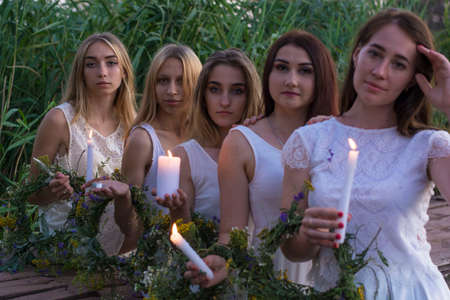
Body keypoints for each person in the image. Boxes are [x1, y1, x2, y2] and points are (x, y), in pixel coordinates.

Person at [280, 9, 450, 299]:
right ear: (357, 54)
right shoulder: (309, 141)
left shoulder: (428, 146)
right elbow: (291, 249)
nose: (380, 71)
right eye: (375, 54)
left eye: (398, 64)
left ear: (412, 78)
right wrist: (306, 235)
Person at [186, 30, 339, 287]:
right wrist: (223, 262)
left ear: (321, 78)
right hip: (269, 278)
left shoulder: (340, 136)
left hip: (337, 276)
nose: (291, 80)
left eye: (304, 71)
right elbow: (232, 233)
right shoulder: (242, 141)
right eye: (281, 68)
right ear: (268, 74)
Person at [86, 44, 202, 254]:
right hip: (154, 254)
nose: (172, 91)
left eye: (181, 81)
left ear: (196, 84)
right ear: (152, 85)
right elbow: (129, 224)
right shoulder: (144, 140)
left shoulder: (204, 136)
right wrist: (124, 198)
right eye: (163, 81)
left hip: (202, 248)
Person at [29, 33, 136, 236]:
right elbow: (31, 195)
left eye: (111, 63)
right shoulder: (60, 120)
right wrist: (52, 192)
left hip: (120, 240)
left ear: (124, 71)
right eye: (91, 64)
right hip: (66, 241)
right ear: (81, 72)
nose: (102, 72)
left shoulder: (134, 125)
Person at [157, 48, 262, 223]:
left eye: (237, 91)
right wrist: (180, 210)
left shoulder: (264, 150)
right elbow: (181, 239)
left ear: (250, 95)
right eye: (215, 89)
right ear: (203, 95)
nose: (225, 102)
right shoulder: (185, 158)